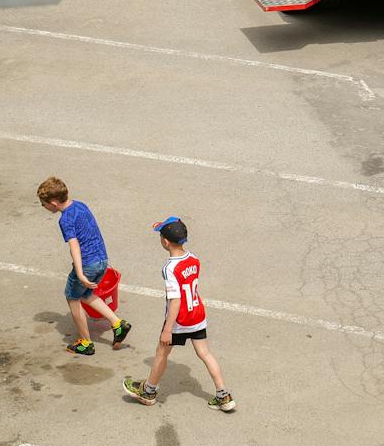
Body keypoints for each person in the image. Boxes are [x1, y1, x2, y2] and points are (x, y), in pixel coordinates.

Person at [122, 216, 235, 412]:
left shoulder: (169, 268)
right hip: (197, 314)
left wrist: (167, 329)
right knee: (205, 353)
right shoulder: (194, 259)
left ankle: (148, 391)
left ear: (165, 242)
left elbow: (175, 300)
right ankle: (223, 395)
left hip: (179, 320)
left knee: (161, 353)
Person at [37, 177, 130, 355]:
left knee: (72, 296)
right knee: (86, 293)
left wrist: (79, 273)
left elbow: (74, 247)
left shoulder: (65, 220)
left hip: (87, 264)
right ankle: (118, 324)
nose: (44, 207)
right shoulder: (80, 205)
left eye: (44, 204)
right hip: (101, 259)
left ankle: (86, 342)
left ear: (54, 203)